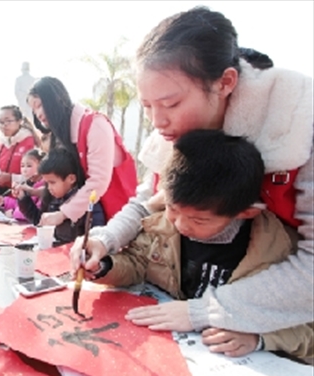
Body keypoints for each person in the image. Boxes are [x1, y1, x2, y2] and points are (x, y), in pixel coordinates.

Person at [71, 6, 313, 334]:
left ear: (225, 82)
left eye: (171, 104)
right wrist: (105, 239)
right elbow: (149, 200)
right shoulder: (174, 135)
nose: (157, 122)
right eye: (147, 106)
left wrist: (208, 311)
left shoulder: (298, 127)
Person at [90, 130, 312, 363]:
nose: (180, 225)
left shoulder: (278, 253)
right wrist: (103, 267)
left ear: (246, 213)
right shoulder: (163, 226)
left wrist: (259, 338)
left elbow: (306, 328)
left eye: (199, 220)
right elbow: (138, 262)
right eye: (172, 209)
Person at [27, 77, 137, 228]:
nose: (38, 114)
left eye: (39, 105)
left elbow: (98, 181)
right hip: (86, 216)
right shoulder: (61, 134)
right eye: (34, 110)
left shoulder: (95, 124)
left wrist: (63, 214)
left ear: (55, 98)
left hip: (112, 213)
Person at [17, 147, 105, 244]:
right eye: (47, 183)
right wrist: (23, 199)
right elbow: (40, 221)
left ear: (71, 179)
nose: (49, 188)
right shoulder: (52, 198)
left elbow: (96, 236)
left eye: (52, 182)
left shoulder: (87, 203)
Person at [0, 105, 39, 194]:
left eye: (8, 121)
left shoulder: (30, 143)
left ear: (19, 121)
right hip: (4, 196)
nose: (4, 125)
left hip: (25, 195)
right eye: (0, 122)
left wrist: (11, 178)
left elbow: (36, 176)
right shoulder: (1, 145)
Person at [0, 149, 45, 221]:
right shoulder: (27, 183)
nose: (24, 170)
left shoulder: (43, 187)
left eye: (29, 166)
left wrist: (13, 213)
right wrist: (4, 202)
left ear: (41, 166)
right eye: (22, 166)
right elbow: (18, 204)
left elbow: (35, 213)